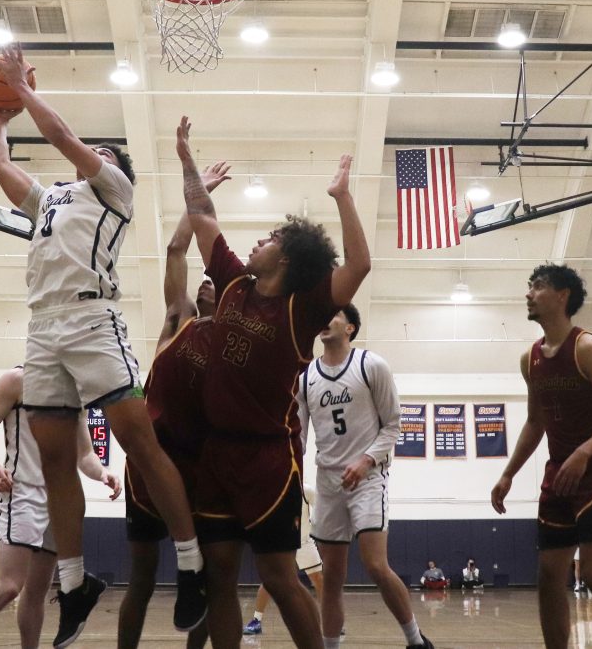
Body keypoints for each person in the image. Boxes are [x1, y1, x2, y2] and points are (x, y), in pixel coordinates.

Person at [0, 47, 206, 648]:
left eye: (102, 153)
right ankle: (76, 583)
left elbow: (61, 136)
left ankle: (191, 566)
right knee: (54, 456)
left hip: (91, 319)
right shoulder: (50, 201)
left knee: (137, 439)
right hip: (42, 327)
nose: (93, 157)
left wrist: (20, 89)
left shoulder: (113, 189)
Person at [175, 117, 370, 649]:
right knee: (217, 575)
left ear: (285, 256)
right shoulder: (234, 281)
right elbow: (201, 212)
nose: (257, 240)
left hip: (268, 458)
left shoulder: (302, 310)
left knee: (280, 578)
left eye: (270, 237)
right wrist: (186, 158)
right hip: (217, 452)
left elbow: (359, 263)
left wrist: (342, 197)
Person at [490, 263, 592, 649]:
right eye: (528, 287)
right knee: (549, 577)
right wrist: (508, 473)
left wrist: (584, 451)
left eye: (538, 287)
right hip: (559, 471)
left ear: (562, 295)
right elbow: (535, 422)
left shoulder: (588, 348)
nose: (529, 293)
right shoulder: (529, 359)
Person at [118, 161, 229, 649]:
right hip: (148, 459)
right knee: (140, 576)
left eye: (214, 279)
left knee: (201, 578)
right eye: (201, 279)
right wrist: (196, 196)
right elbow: (176, 247)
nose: (205, 281)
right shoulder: (177, 318)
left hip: (198, 463)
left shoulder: (233, 337)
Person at [0, 366, 121, 649]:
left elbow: (85, 454)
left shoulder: (75, 391)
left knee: (36, 592)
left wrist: (104, 473)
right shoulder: (16, 381)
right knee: (8, 587)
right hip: (21, 493)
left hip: (58, 498)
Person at [297, 305, 432, 649]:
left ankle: (416, 641)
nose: (325, 318)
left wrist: (366, 460)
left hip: (368, 478)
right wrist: (293, 473)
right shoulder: (306, 376)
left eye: (335, 314)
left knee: (374, 564)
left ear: (350, 328)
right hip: (328, 484)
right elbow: (297, 435)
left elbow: (393, 424)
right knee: (332, 578)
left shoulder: (371, 365)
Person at [242, 487, 324, 636]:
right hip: (282, 543)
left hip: (304, 542)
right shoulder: (275, 490)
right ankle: (256, 621)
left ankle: (327, 620)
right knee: (269, 582)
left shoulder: (307, 490)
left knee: (318, 580)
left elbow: (321, 510)